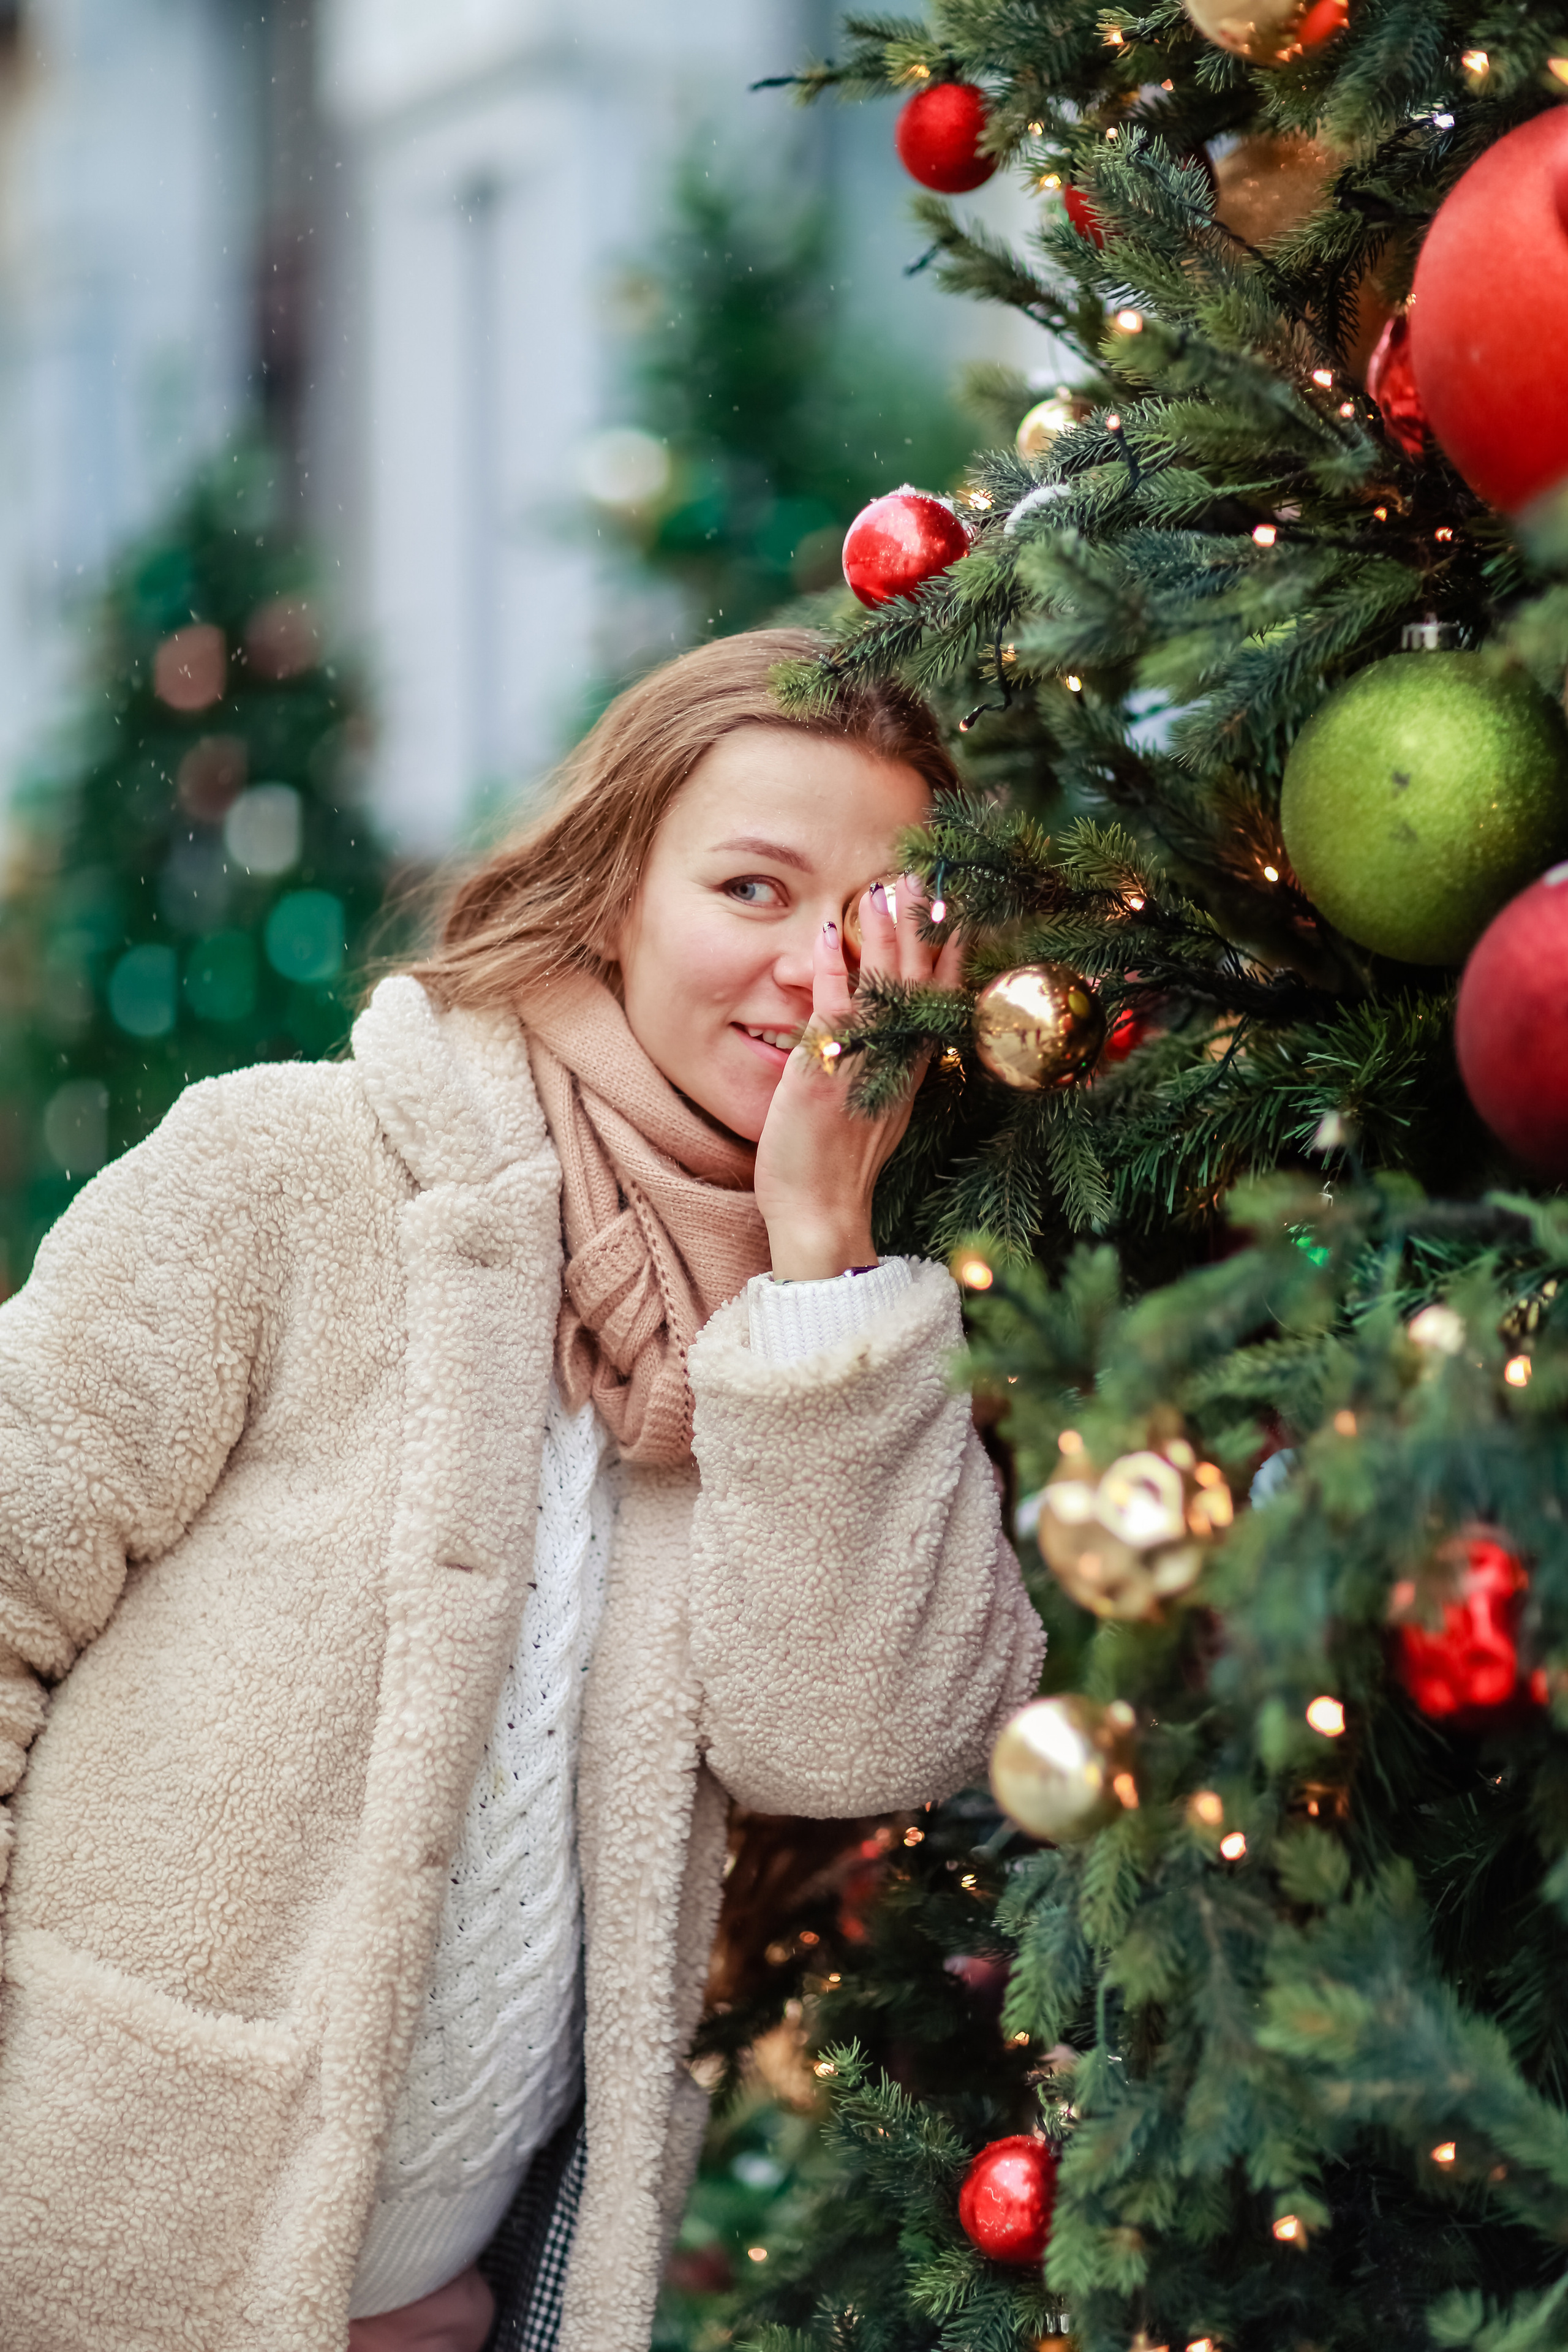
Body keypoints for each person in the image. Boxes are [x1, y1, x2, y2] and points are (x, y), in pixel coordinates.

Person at [0, 628, 1043, 2352]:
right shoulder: (293, 1174)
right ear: (610, 891)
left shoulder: (814, 1351)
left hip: (433, 2307)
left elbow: (860, 1741)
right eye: (755, 888)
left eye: (877, 926)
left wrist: (819, 1253)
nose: (813, 977)